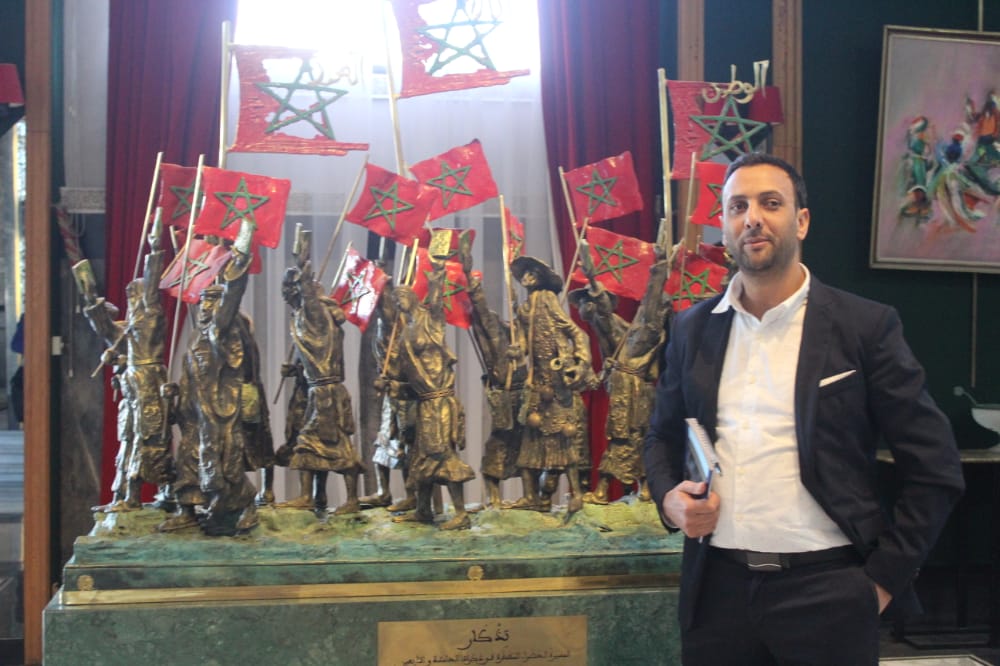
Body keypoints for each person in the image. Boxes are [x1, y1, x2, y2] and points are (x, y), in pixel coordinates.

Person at [643, 152, 965, 665]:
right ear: (724, 226)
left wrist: (882, 582)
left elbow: (936, 467)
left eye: (771, 203)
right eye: (738, 206)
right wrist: (668, 500)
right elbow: (660, 437)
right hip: (717, 594)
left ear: (802, 221)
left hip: (829, 592)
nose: (753, 218)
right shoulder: (691, 328)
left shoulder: (865, 327)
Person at [75, 223, 174, 512]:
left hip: (149, 385)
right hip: (132, 388)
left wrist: (155, 249)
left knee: (150, 440)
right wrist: (90, 298)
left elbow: (151, 286)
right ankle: (123, 496)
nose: (131, 300)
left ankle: (163, 492)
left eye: (134, 295)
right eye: (129, 296)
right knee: (128, 441)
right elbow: (106, 329)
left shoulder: (150, 318)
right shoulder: (128, 327)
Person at [159, 249, 259, 536]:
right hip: (194, 413)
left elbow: (231, 298)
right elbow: (192, 374)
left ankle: (245, 506)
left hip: (218, 412)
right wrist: (176, 392)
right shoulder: (196, 337)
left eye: (211, 303)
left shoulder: (220, 331)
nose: (205, 308)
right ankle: (187, 511)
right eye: (203, 302)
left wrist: (239, 265)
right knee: (187, 459)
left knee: (223, 464)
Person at [377, 256, 475, 530]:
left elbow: (437, 302)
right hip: (423, 404)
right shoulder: (404, 335)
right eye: (395, 300)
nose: (398, 304)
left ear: (412, 298)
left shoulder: (430, 321)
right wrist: (391, 386)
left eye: (401, 297)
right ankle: (423, 510)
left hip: (439, 402)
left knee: (443, 456)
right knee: (420, 458)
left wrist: (438, 274)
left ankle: (461, 514)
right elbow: (409, 384)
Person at [571, 245, 671, 505]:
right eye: (582, 302)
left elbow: (646, 306)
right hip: (626, 389)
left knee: (633, 436)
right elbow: (604, 316)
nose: (584, 307)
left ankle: (627, 488)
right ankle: (624, 488)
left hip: (636, 391)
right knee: (623, 435)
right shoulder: (614, 329)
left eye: (588, 301)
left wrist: (592, 278)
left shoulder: (642, 331)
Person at [509, 256, 597, 516]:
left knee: (564, 439)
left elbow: (577, 333)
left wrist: (580, 363)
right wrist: (517, 351)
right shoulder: (524, 310)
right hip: (537, 384)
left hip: (557, 383)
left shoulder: (547, 299)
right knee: (530, 440)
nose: (527, 278)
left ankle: (576, 494)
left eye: (532, 273)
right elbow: (524, 344)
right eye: (524, 274)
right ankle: (530, 496)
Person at [279, 261, 364, 514]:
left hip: (326, 393)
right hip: (319, 389)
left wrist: (303, 272)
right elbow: (317, 356)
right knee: (318, 444)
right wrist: (296, 370)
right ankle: (318, 496)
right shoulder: (313, 320)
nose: (291, 297)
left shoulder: (317, 316)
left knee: (321, 443)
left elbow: (309, 301)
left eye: (294, 292)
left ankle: (344, 499)